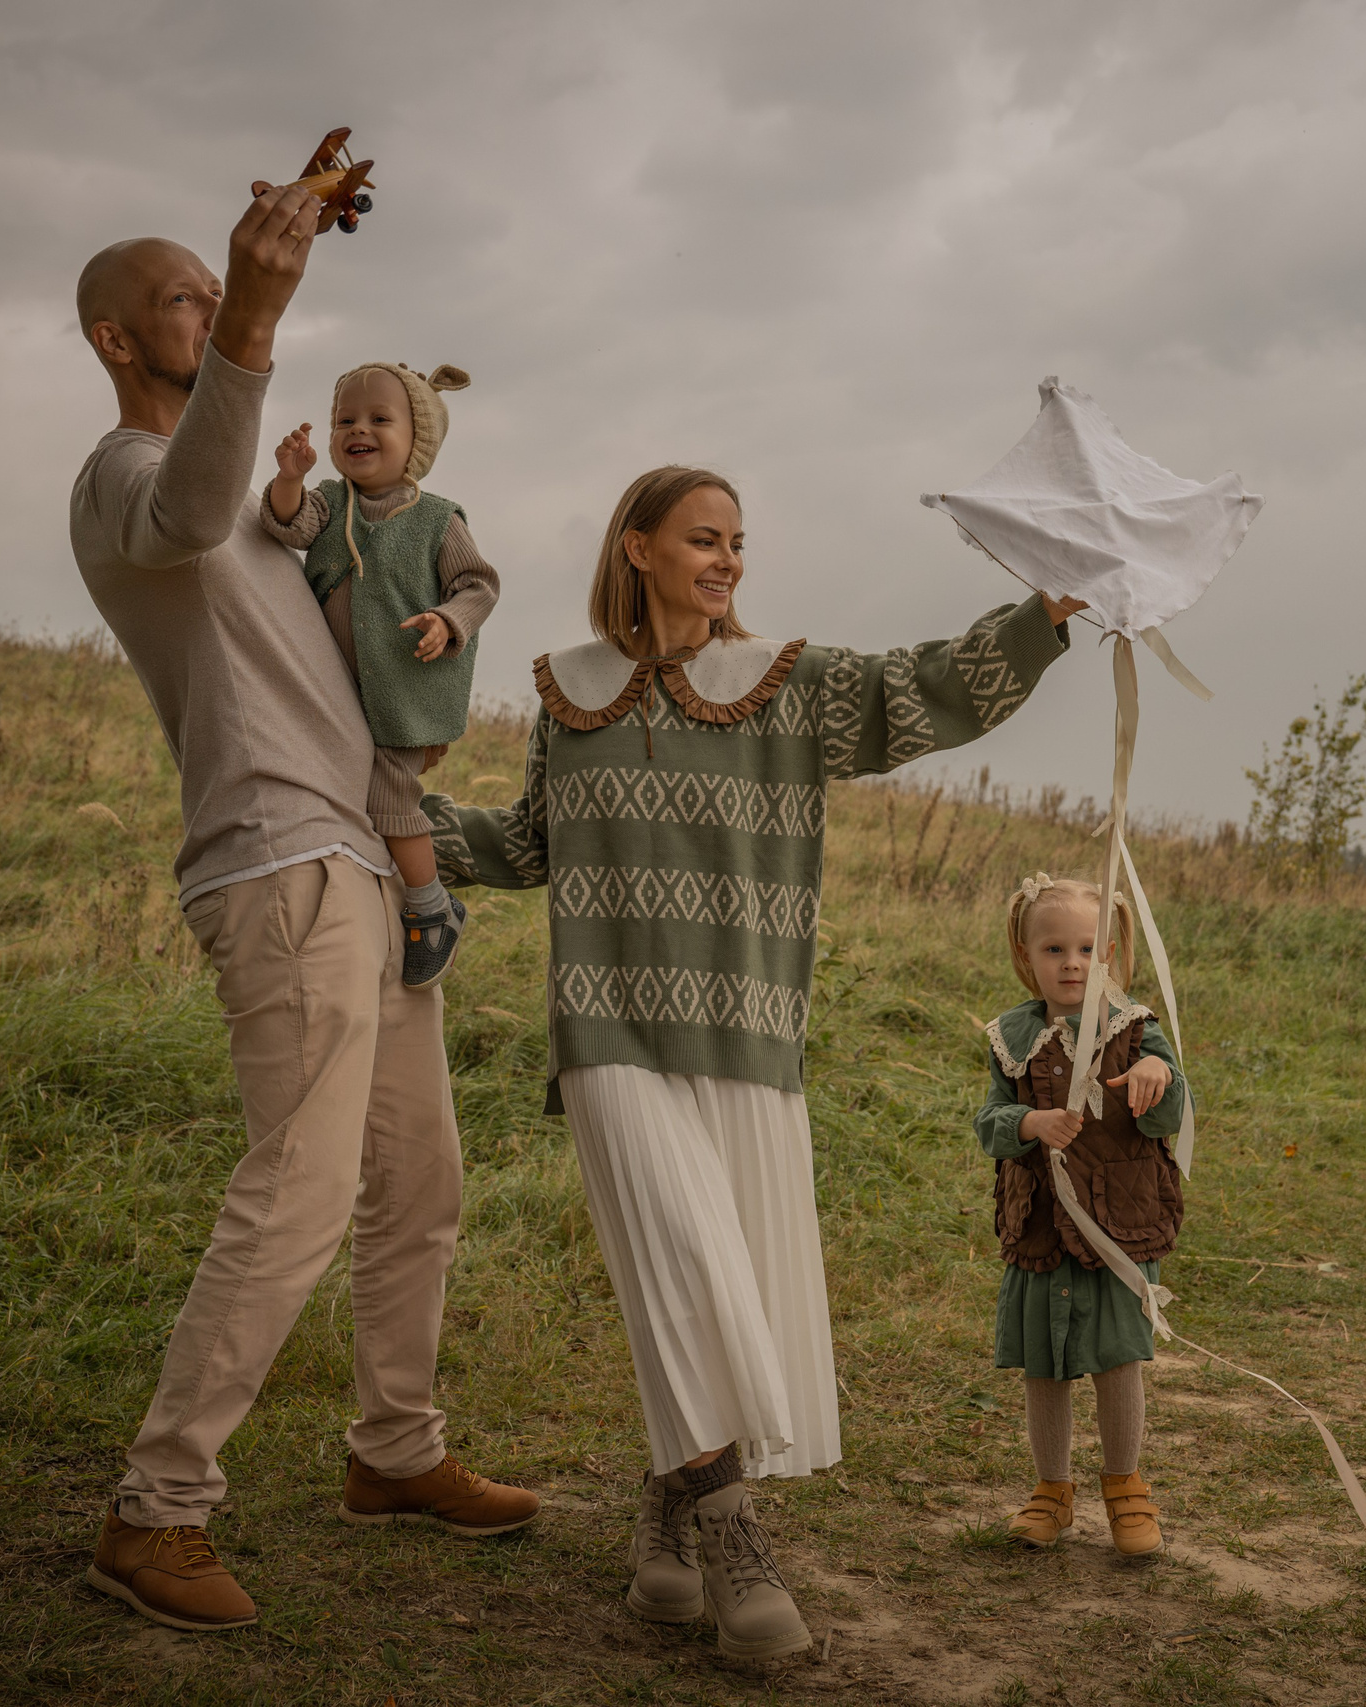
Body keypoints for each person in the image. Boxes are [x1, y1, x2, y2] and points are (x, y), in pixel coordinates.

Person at [423, 465, 1086, 1666]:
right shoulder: (569, 692)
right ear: (637, 548)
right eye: (702, 539)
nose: (727, 559)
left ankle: (666, 1511)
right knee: (682, 1262)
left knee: (718, 1288)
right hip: (605, 1024)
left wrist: (1043, 616)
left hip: (746, 1031)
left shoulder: (790, 687)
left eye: (737, 542)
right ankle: (732, 1533)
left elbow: (927, 687)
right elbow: (530, 841)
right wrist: (401, 820)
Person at [66, 186, 535, 1635]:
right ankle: (156, 1507)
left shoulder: (280, 507)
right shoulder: (123, 476)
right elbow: (189, 504)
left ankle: (394, 1449)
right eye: (186, 298)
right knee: (301, 1187)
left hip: (364, 858)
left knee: (421, 1180)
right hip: (277, 867)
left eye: (220, 292)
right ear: (114, 338)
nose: (211, 306)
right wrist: (261, 324)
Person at [262, 361, 500, 985]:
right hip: (330, 687)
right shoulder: (329, 502)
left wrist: (447, 620)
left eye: (378, 419)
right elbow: (287, 524)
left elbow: (477, 585)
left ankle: (432, 907)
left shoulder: (438, 519)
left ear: (416, 440)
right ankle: (361, 883)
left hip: (401, 693)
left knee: (390, 795)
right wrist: (290, 478)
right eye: (345, 419)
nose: (357, 429)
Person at [976, 875, 1188, 1557]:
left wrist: (1158, 1079)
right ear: (1026, 953)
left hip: (1117, 1225)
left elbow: (1170, 1113)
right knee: (1045, 1365)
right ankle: (1052, 1490)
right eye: (1055, 948)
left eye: (1088, 948)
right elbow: (989, 1122)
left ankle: (1126, 1489)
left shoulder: (1136, 1029)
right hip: (1041, 1226)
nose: (1072, 962)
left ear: (1111, 953)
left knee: (1118, 1358)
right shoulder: (1012, 1037)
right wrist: (1029, 1122)